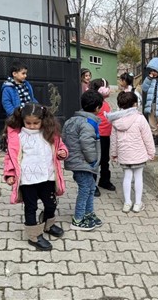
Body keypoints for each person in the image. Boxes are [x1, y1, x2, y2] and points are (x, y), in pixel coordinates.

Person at [2, 103, 68, 251]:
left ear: (43, 120)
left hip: (48, 177)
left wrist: (62, 152)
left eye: (36, 123)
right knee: (31, 207)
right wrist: (10, 174)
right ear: (22, 120)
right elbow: (10, 157)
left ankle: (48, 223)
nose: (32, 126)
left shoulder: (50, 133)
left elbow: (60, 146)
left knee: (51, 204)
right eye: (28, 123)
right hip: (28, 180)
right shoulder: (17, 136)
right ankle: (34, 235)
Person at [107, 91, 155, 213]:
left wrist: (114, 154)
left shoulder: (115, 120)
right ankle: (137, 203)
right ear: (134, 104)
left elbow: (113, 140)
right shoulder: (140, 118)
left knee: (127, 177)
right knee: (138, 177)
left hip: (124, 155)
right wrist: (151, 152)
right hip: (138, 154)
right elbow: (147, 137)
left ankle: (127, 203)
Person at [62, 90, 104, 231]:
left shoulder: (71, 120)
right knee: (85, 189)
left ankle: (89, 213)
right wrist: (93, 160)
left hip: (77, 161)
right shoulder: (87, 123)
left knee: (91, 187)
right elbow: (87, 143)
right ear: (98, 107)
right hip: (82, 162)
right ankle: (78, 219)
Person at [89, 78, 115, 195]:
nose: (108, 89)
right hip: (97, 136)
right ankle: (92, 184)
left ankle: (104, 180)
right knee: (95, 160)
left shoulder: (105, 103)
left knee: (105, 159)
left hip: (106, 136)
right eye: (107, 86)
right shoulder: (94, 103)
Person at [141, 57, 158, 146]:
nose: (153, 73)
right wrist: (148, 78)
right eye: (151, 71)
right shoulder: (150, 79)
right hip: (151, 103)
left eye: (155, 71)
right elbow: (144, 88)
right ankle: (155, 137)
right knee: (152, 121)